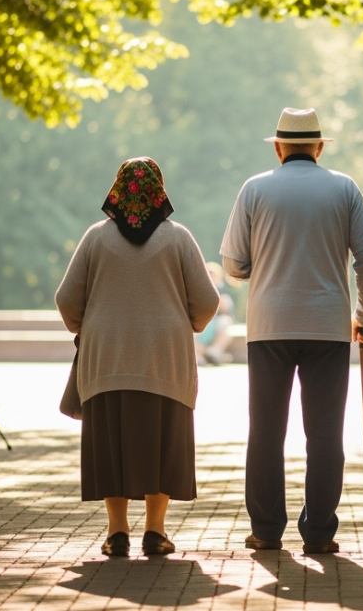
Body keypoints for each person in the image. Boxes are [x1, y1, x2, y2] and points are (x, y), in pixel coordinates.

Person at [220, 107, 363, 555]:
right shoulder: (344, 188)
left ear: (277, 147)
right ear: (317, 147)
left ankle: (268, 530)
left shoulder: (255, 189)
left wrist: (262, 266)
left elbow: (233, 264)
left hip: (269, 326)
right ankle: (318, 534)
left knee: (267, 431)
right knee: (326, 434)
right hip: (329, 327)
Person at [56, 157, 219, 558]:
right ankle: (155, 531)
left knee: (112, 444)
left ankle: (116, 533)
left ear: (117, 189)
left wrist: (87, 326)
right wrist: (190, 325)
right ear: (159, 191)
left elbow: (66, 299)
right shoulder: (178, 238)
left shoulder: (95, 238)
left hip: (107, 358)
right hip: (165, 359)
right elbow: (208, 301)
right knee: (163, 442)